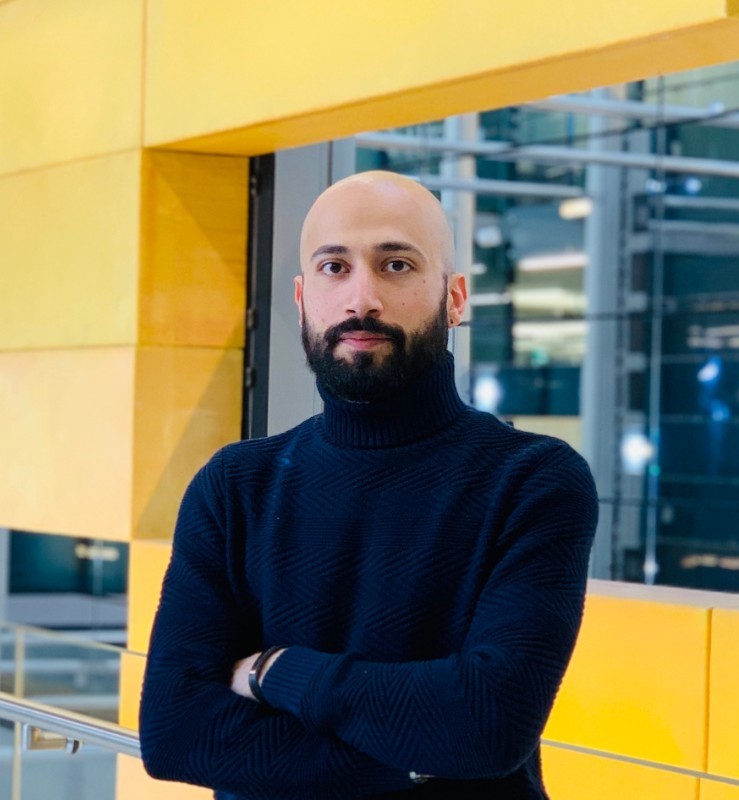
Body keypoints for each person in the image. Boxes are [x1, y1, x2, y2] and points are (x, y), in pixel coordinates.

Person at [139, 171, 598, 800]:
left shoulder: (532, 480)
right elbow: (176, 733)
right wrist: (415, 761)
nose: (362, 299)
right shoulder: (235, 486)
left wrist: (277, 670)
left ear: (455, 298)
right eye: (334, 268)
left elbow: (486, 725)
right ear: (302, 298)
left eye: (396, 265)